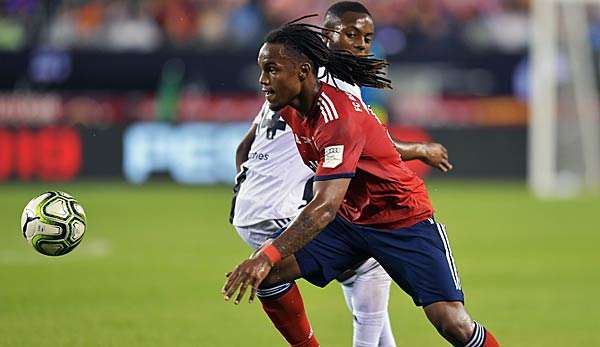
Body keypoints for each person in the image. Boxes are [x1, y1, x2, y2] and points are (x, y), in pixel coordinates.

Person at [223, 16, 500, 347]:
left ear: (303, 72)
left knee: (452, 323)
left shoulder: (337, 117)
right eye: (262, 70)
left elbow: (323, 207)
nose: (263, 80)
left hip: (401, 220)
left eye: (271, 70)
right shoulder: (288, 106)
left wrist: (265, 253)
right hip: (350, 220)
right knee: (270, 277)